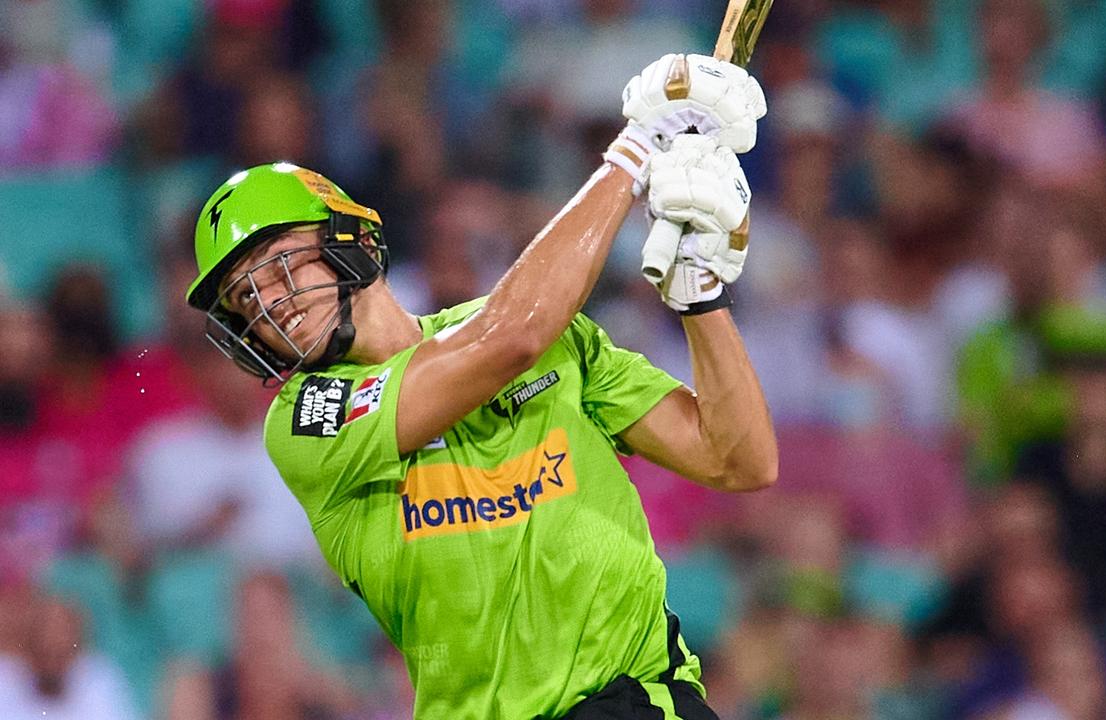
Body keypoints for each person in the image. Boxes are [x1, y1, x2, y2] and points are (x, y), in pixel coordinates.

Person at [183, 53, 775, 719]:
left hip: (639, 700)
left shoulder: (547, 329)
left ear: (345, 238)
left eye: (278, 264)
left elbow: (739, 459)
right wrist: (635, 149)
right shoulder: (304, 420)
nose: (269, 303)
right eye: (246, 296)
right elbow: (508, 338)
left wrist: (700, 299)